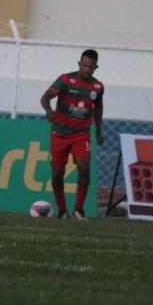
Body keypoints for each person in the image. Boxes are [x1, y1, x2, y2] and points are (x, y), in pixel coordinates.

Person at [40, 49, 105, 220]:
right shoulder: (65, 80)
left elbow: (98, 109)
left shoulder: (98, 87)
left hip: (81, 135)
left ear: (95, 67)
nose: (87, 69)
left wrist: (98, 132)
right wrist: (49, 111)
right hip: (59, 134)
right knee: (57, 174)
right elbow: (45, 98)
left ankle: (78, 209)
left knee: (84, 168)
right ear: (79, 64)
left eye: (90, 67)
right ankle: (62, 211)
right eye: (84, 65)